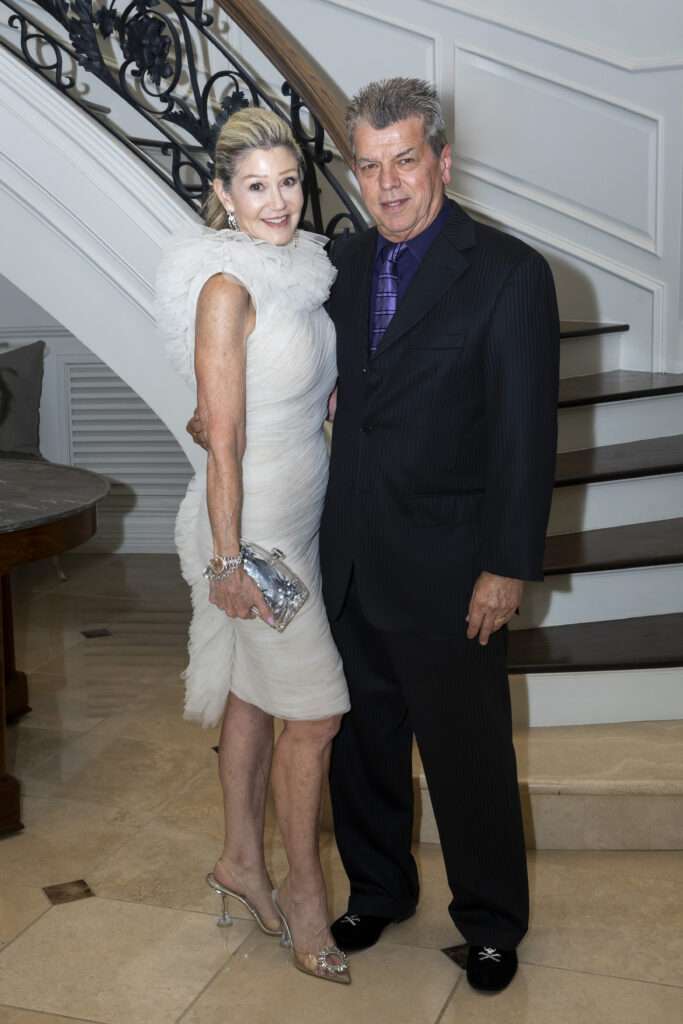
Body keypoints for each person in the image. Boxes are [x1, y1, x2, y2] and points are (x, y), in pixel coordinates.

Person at [319, 78, 560, 993]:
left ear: (441, 162)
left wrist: (505, 565)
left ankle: (491, 920)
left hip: (454, 564)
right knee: (361, 746)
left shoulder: (506, 273)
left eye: (405, 162)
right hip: (347, 554)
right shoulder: (338, 266)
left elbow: (522, 435)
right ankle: (376, 890)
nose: (386, 186)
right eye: (370, 167)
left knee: (467, 757)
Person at [156, 107, 351, 985]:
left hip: (300, 516)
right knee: (314, 713)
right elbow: (221, 440)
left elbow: (306, 389)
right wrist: (229, 562)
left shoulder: (299, 271)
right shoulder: (225, 287)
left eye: (289, 182)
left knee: (253, 697)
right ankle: (306, 894)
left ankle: (241, 859)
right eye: (256, 186)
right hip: (254, 534)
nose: (278, 202)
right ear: (223, 196)